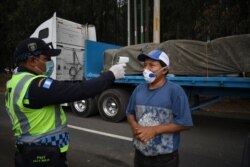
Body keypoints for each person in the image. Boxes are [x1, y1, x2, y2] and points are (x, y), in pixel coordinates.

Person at [5, 37, 126, 167]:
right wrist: (110, 75)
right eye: (46, 59)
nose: (50, 62)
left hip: (28, 152)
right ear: (32, 60)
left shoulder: (15, 81)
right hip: (42, 156)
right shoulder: (35, 85)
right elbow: (79, 90)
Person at [126, 50, 193, 167]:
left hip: (164, 158)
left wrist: (154, 130)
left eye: (151, 65)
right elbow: (129, 113)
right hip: (140, 154)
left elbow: (185, 123)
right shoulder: (138, 90)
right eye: (145, 65)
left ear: (165, 70)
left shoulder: (175, 91)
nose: (146, 69)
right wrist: (135, 126)